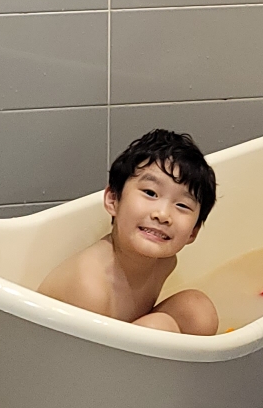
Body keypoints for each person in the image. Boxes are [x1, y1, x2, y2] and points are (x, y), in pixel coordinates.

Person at [38, 129, 219, 335]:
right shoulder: (90, 286)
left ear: (193, 232)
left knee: (197, 310)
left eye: (182, 205)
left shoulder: (164, 262)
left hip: (113, 344)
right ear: (113, 200)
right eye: (150, 193)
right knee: (157, 328)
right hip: (58, 351)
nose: (162, 215)